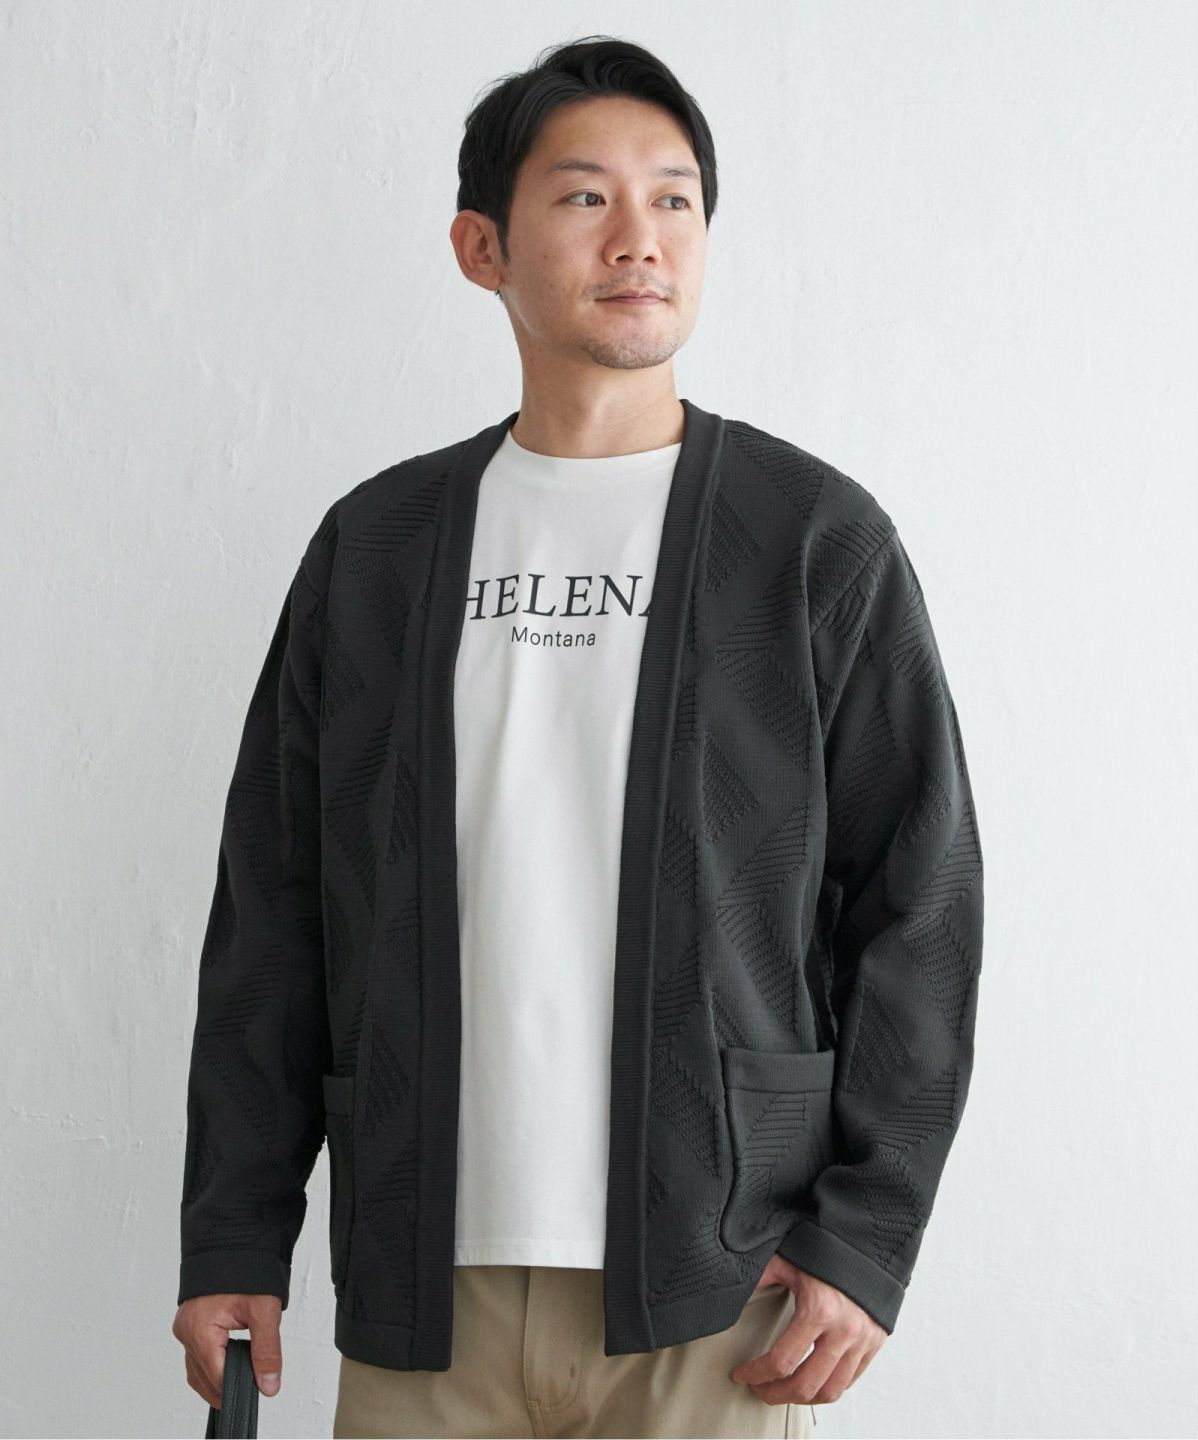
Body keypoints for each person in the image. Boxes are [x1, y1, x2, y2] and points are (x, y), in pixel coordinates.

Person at [172, 34, 985, 1440]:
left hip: (719, 1286)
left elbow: (921, 903)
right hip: (426, 1279)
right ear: (480, 247)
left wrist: (867, 1233)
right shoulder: (379, 549)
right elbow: (275, 906)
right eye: (585, 196)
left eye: (674, 199)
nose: (640, 238)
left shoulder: (808, 542)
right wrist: (234, 1230)